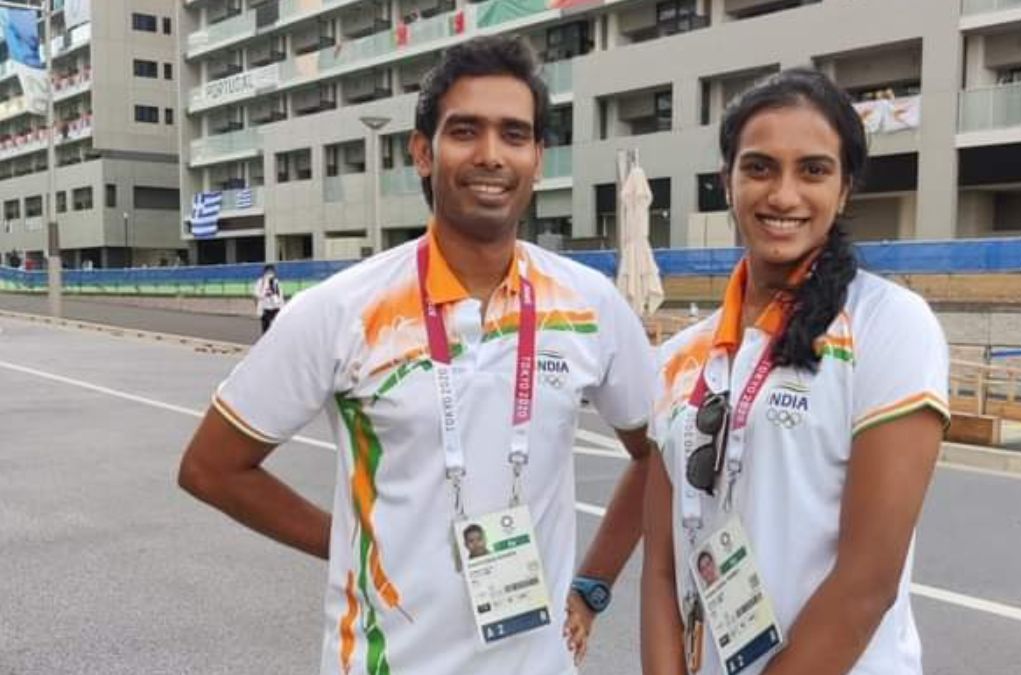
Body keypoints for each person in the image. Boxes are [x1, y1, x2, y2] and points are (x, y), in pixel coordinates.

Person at [178, 35, 655, 675]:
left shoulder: (588, 303)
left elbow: (658, 454)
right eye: (466, 131)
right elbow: (212, 467)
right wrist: (355, 547)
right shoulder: (343, 308)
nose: (491, 155)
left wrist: (595, 583)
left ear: (538, 159)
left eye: (514, 135)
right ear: (423, 153)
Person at [641, 68, 949, 675]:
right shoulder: (679, 356)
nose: (784, 195)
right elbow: (660, 567)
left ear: (845, 189)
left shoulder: (890, 324)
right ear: (725, 181)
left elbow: (868, 582)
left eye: (813, 170)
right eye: (759, 167)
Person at [253, 264, 285, 333]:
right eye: (268, 272)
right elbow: (256, 294)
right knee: (266, 329)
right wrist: (265, 293)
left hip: (276, 308)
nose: (270, 274)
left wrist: (282, 307)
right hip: (265, 308)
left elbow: (281, 295)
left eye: (272, 272)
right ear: (264, 272)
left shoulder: (277, 282)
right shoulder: (260, 282)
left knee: (277, 329)